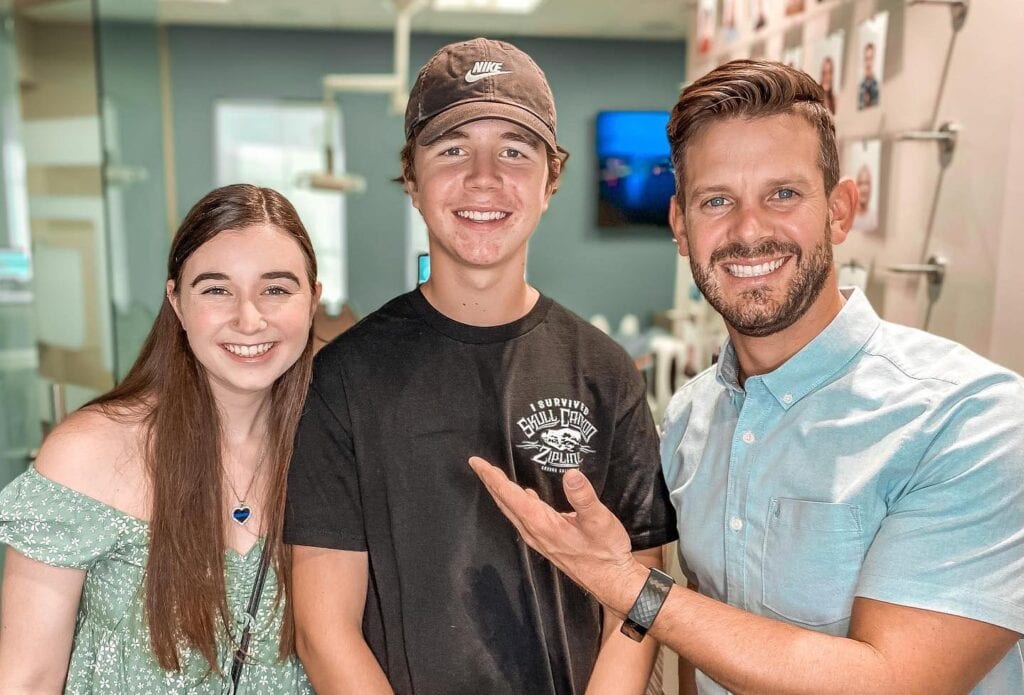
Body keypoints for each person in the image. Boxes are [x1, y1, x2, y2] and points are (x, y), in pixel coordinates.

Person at [470, 59, 1024, 694]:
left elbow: (895, 682)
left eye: (783, 194)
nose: (749, 230)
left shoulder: (969, 416)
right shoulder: (689, 419)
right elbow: (702, 647)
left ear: (840, 211)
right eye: (717, 201)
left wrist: (624, 582)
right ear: (681, 226)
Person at [284, 37, 677, 695]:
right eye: (453, 149)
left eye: (515, 152)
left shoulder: (605, 373)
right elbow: (324, 631)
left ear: (552, 180)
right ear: (411, 177)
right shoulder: (346, 379)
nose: (484, 177)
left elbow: (648, 593)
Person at [0, 184, 321, 693]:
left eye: (276, 289)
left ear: (312, 299)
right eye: (216, 289)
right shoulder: (89, 453)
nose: (249, 318)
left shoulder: (339, 445)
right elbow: (27, 677)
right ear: (176, 301)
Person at [852, 163, 878, 232]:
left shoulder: (874, 218)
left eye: (867, 183)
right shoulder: (849, 218)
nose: (864, 188)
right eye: (860, 183)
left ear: (871, 188)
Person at [858, 41, 879, 109]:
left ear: (874, 60)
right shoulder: (860, 87)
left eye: (870, 59)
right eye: (866, 59)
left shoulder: (877, 86)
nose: (868, 63)